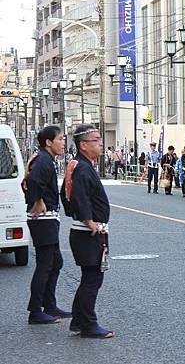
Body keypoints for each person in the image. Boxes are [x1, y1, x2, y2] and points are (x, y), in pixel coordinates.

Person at [60, 124, 113, 338]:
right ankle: (89, 325)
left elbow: (65, 194)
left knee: (89, 277)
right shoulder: (81, 167)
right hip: (88, 232)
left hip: (84, 231)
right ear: (83, 145)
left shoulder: (79, 165)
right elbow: (78, 196)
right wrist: (89, 220)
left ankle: (78, 320)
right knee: (93, 278)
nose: (101, 143)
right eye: (96, 140)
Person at [22, 126, 71, 325]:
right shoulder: (43, 159)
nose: (63, 143)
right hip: (42, 219)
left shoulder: (45, 158)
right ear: (49, 142)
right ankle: (35, 311)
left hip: (48, 218)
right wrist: (38, 200)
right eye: (60, 139)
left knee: (55, 262)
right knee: (45, 263)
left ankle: (49, 305)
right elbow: (31, 180)